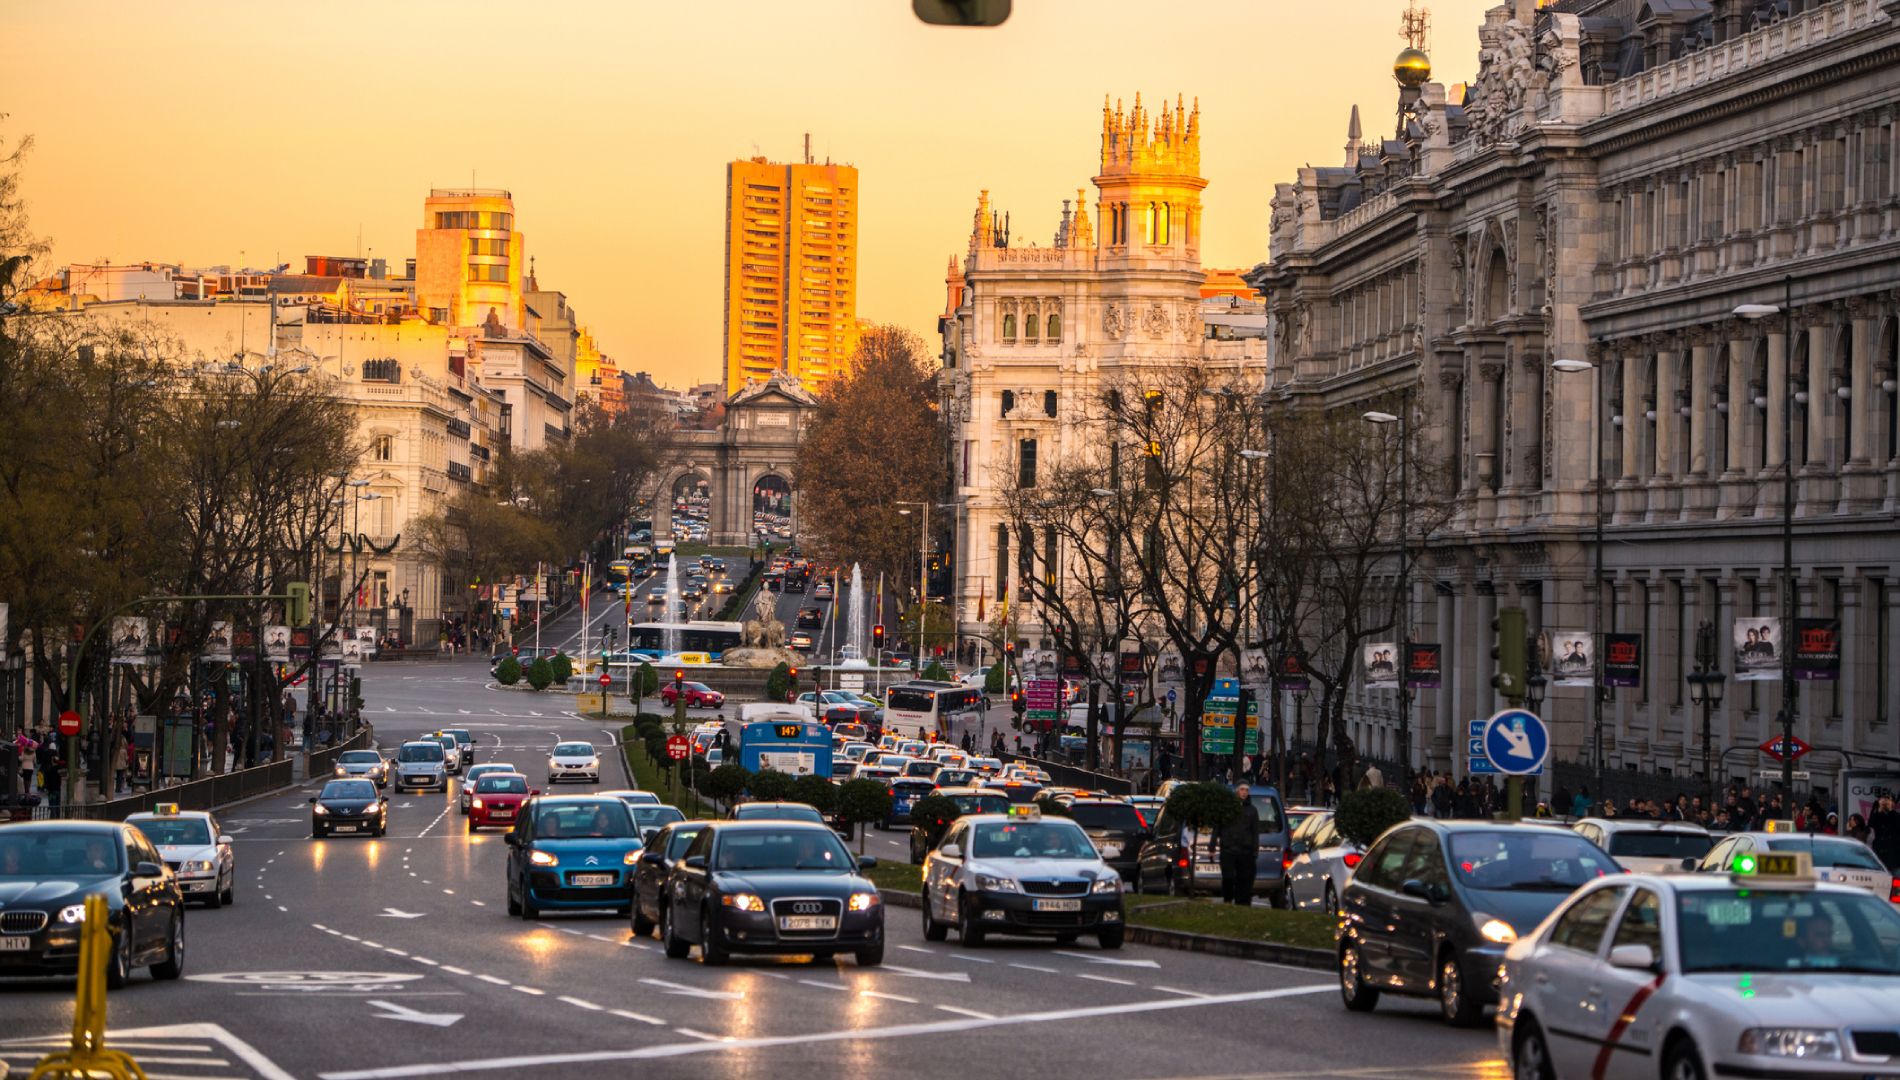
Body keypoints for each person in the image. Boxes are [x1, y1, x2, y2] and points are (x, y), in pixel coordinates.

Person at [1216, 783, 1261, 906]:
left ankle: (1242, 902)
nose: (1244, 792)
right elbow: (1219, 826)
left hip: (1245, 850)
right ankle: (1228, 899)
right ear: (1237, 791)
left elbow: (1255, 831)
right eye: (1242, 789)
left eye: (1246, 790)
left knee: (1244, 878)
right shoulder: (1227, 808)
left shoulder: (1252, 810)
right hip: (1228, 849)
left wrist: (1255, 849)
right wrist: (1215, 843)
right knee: (1228, 877)